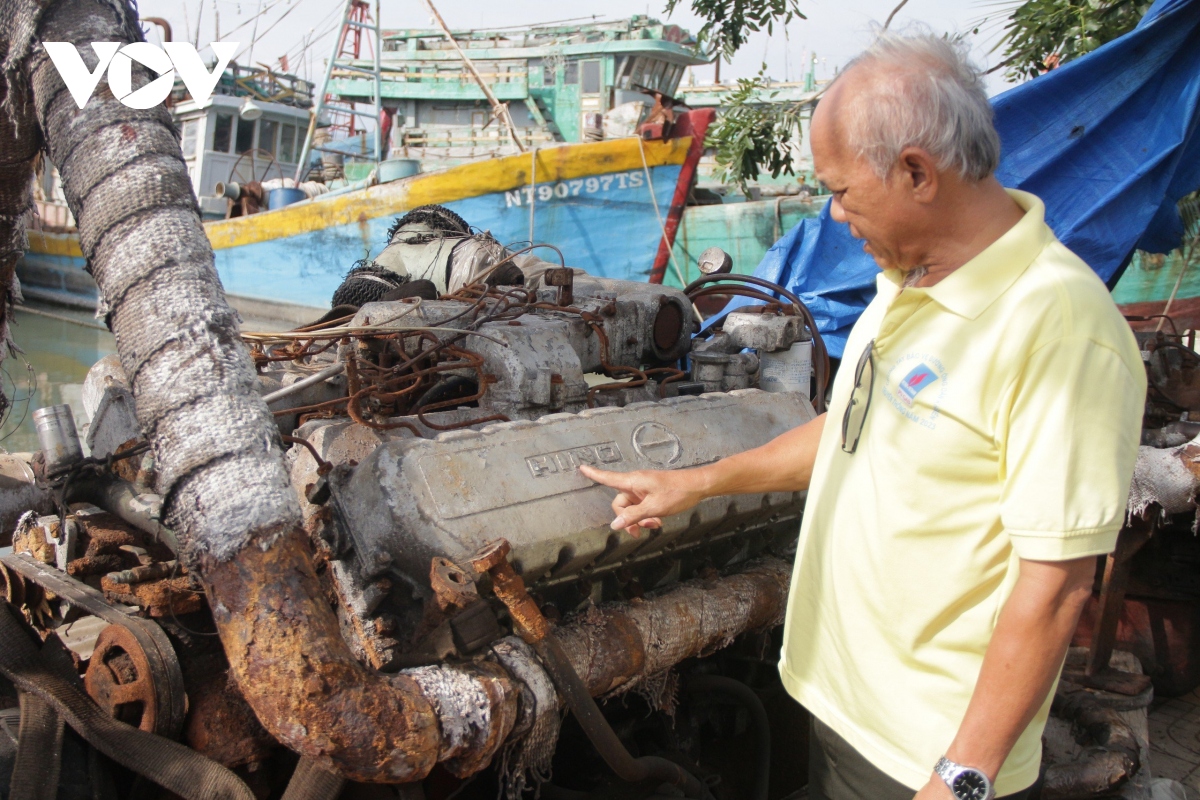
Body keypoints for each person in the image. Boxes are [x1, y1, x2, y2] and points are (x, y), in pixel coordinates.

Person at [580, 32, 1145, 800]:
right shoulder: (908, 280)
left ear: (916, 171)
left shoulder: (1060, 328)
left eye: (842, 191)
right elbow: (854, 430)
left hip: (923, 753)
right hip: (838, 702)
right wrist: (697, 484)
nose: (835, 215)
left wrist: (962, 778)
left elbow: (1055, 587)